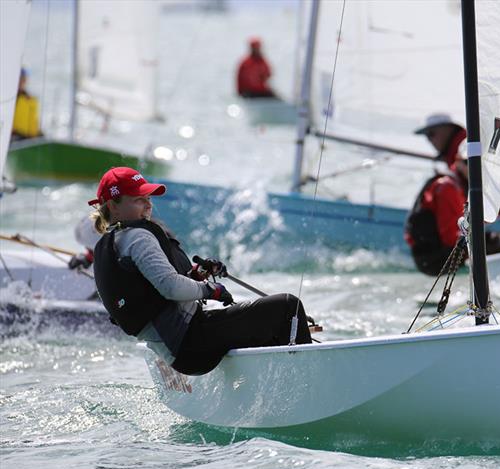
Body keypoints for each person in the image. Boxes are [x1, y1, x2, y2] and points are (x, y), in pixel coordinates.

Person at [89, 167, 311, 375]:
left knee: (265, 318)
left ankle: (275, 382)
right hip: (191, 341)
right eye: (139, 199)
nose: (148, 205)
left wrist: (196, 275)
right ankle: (305, 381)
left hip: (176, 348)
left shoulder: (113, 243)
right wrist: (210, 290)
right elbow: (170, 287)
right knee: (288, 307)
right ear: (113, 206)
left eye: (148, 198)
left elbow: (151, 292)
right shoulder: (138, 237)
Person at [404, 152, 500, 277]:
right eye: (469, 163)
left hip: (432, 254)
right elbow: (452, 238)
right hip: (437, 259)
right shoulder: (448, 187)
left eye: (481, 165)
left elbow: (466, 221)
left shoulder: (455, 182)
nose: (475, 168)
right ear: (458, 162)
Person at [414, 113, 500, 214]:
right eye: (427, 136)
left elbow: (478, 178)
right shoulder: (459, 145)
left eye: (431, 134)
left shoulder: (465, 145)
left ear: (447, 129)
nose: (430, 140)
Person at [12, 68, 42, 141]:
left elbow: (34, 122)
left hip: (26, 137)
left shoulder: (30, 99)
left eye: (23, 79)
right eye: (20, 79)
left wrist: (36, 134)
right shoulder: (9, 98)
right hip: (13, 136)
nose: (21, 82)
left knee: (42, 136)